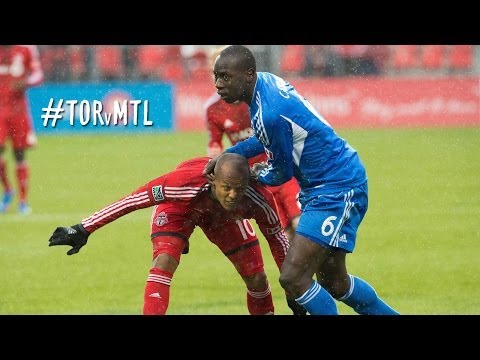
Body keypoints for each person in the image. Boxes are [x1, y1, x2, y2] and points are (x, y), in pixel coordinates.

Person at [204, 45, 399, 315]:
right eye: (216, 76)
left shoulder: (269, 112)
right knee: (335, 283)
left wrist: (250, 174)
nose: (218, 84)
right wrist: (230, 154)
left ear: (248, 75)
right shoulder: (267, 83)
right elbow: (265, 139)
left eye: (225, 76)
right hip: (325, 186)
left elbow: (280, 173)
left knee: (293, 277)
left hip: (337, 189)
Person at [48, 153, 305, 315]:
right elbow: (133, 200)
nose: (232, 195)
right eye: (226, 187)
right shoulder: (180, 184)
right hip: (180, 210)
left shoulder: (258, 199)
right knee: (164, 261)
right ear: (213, 180)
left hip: (225, 220)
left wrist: (295, 288)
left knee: (257, 279)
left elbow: (279, 241)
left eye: (239, 189)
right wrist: (85, 228)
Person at [0, 45, 44, 214]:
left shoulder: (26, 48)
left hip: (18, 111)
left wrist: (25, 82)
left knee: (19, 154)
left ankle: (23, 201)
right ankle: (8, 190)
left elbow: (38, 75)